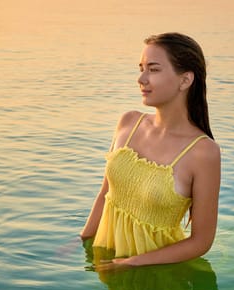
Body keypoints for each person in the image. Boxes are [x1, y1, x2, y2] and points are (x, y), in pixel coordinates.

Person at [80, 32, 221, 267]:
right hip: (106, 260)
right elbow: (105, 193)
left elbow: (201, 241)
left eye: (153, 69)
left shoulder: (203, 152)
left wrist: (133, 263)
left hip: (157, 273)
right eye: (141, 68)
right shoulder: (128, 123)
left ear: (185, 80)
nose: (141, 78)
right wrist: (81, 240)